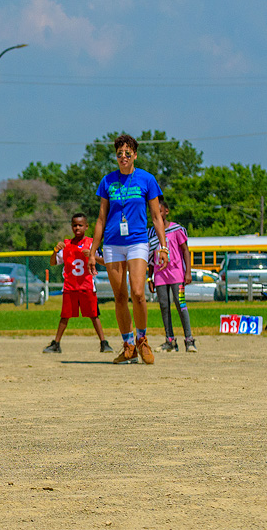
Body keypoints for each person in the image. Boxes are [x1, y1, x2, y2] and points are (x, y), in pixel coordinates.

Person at [88, 134, 168, 365]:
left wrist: (163, 247)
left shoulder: (146, 179)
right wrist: (93, 252)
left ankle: (142, 340)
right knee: (120, 296)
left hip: (137, 242)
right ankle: (128, 345)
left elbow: (156, 217)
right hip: (112, 244)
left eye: (128, 153)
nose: (123, 157)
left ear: (135, 155)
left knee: (138, 293)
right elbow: (101, 218)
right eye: (119, 153)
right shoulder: (107, 181)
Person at [44, 212, 108, 353]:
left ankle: (104, 342)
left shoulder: (92, 243)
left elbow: (105, 262)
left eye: (80, 225)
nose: (77, 228)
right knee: (65, 316)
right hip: (70, 286)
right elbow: (53, 263)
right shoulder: (66, 245)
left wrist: (93, 256)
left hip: (87, 285)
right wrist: (55, 251)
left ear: (86, 227)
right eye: (74, 225)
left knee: (94, 315)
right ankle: (56, 343)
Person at [146, 196, 195, 353]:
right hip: (160, 275)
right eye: (154, 211)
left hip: (176, 274)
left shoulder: (177, 229)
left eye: (159, 211)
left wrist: (188, 271)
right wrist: (150, 277)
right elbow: (151, 257)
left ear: (166, 211)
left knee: (181, 304)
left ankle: (189, 339)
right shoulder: (151, 233)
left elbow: (186, 251)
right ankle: (170, 340)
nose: (157, 213)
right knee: (164, 306)